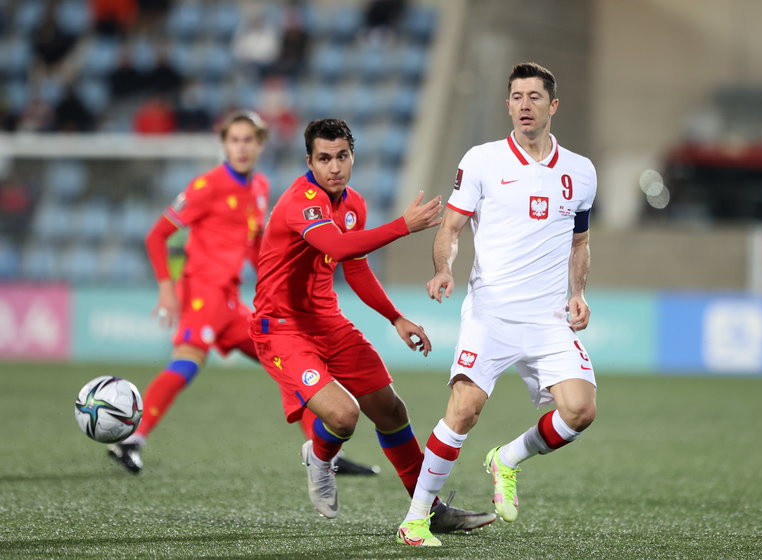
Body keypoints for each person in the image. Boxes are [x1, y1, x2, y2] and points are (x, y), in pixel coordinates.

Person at [249, 118, 496, 533]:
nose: (334, 166)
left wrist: (395, 316)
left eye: (342, 156)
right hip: (282, 329)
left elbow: (355, 267)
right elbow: (335, 246)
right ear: (308, 161)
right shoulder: (301, 201)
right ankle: (320, 456)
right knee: (344, 416)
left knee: (390, 410)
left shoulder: (353, 204)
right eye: (323, 158)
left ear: (352, 157)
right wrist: (403, 226)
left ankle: (429, 510)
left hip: (329, 322)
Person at [108, 111, 377, 476]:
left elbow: (256, 245)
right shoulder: (207, 186)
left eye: (248, 140)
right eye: (234, 140)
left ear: (260, 144)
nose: (242, 147)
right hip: (203, 294)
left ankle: (323, 451)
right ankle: (131, 439)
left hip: (232, 303)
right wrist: (167, 289)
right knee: (187, 363)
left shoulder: (261, 187)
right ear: (224, 145)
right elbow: (156, 236)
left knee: (294, 361)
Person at [396, 62, 598, 547]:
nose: (524, 105)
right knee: (464, 409)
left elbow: (580, 242)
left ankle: (505, 459)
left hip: (549, 318)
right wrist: (444, 268)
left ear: (553, 105)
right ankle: (415, 519)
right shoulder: (483, 160)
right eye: (516, 97)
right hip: (492, 313)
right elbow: (451, 228)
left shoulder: (581, 171)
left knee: (580, 411)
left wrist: (578, 292)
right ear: (507, 104)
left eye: (533, 96)